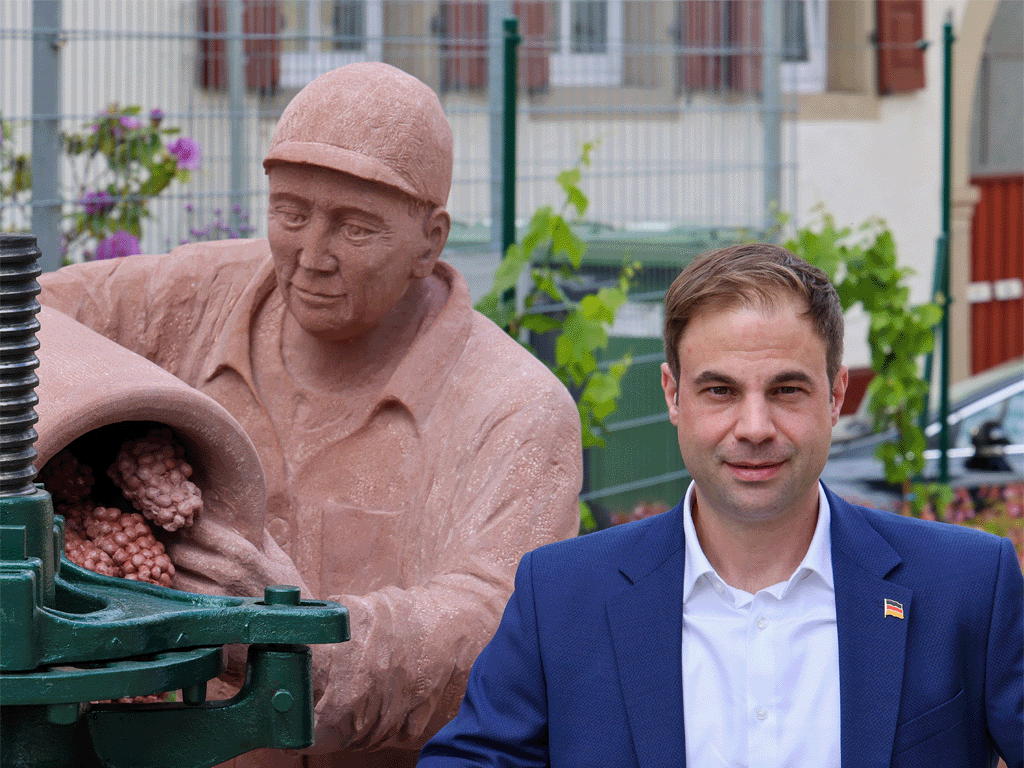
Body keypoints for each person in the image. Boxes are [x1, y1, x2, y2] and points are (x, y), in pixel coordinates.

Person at [38, 63, 582, 768]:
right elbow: (28, 322)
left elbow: (494, 630)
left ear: (431, 238)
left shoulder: (514, 408)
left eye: (356, 229)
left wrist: (285, 636)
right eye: (290, 214)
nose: (311, 256)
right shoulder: (193, 298)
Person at [418, 243, 1024, 768]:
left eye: (787, 389)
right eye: (720, 391)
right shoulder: (562, 599)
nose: (754, 426)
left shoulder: (967, 589)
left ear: (836, 395)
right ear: (673, 396)